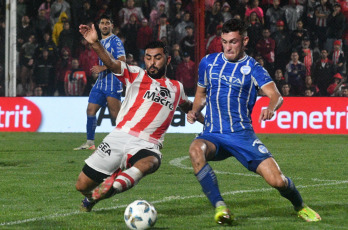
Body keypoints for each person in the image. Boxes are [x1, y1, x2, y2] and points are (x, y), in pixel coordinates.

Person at [186, 18, 321, 226]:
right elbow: (201, 94)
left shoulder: (253, 67)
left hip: (242, 136)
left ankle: (300, 206)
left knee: (278, 181)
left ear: (245, 40)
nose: (228, 47)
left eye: (233, 42)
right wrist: (195, 110)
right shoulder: (208, 62)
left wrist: (270, 108)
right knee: (196, 149)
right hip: (213, 134)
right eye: (224, 42)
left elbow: (277, 96)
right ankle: (220, 206)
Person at [76, 23, 204, 212]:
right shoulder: (136, 74)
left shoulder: (177, 87)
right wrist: (95, 44)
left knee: (151, 162)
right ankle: (96, 196)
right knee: (82, 185)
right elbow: (111, 63)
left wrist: (206, 121)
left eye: (157, 58)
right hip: (119, 136)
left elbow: (188, 107)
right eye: (148, 57)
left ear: (167, 60)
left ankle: (115, 184)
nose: (152, 62)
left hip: (147, 143)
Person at [74, 15, 126, 150]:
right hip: (101, 82)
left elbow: (122, 62)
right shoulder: (99, 41)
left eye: (107, 23)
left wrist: (102, 67)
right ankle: (90, 143)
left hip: (113, 81)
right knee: (90, 110)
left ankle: (125, 142)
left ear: (111, 26)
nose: (104, 25)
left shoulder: (116, 41)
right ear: (99, 26)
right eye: (102, 23)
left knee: (116, 116)